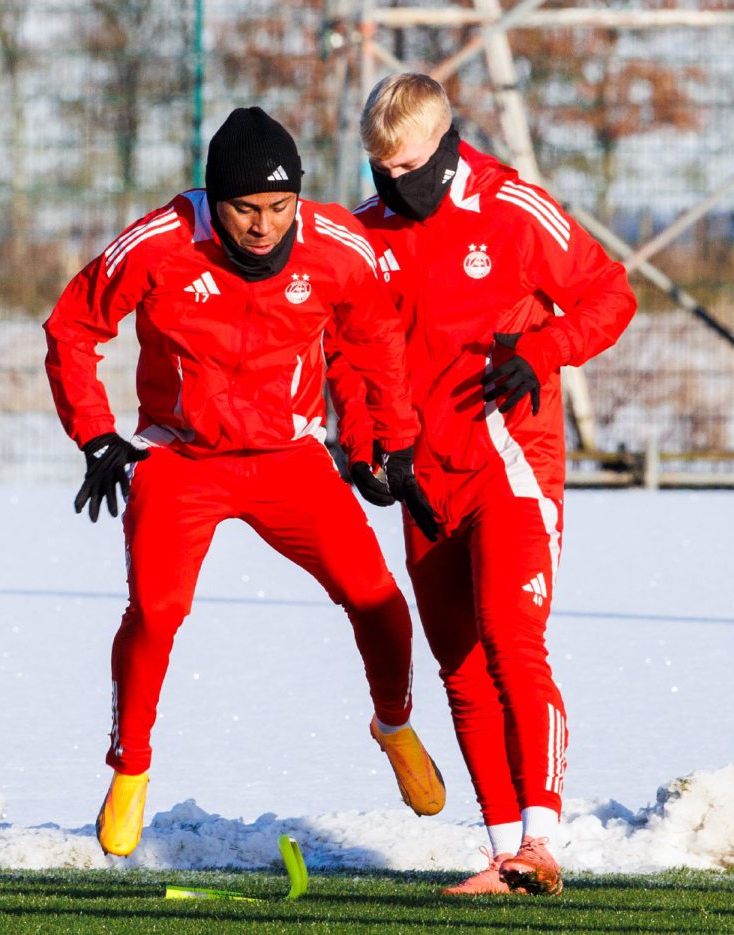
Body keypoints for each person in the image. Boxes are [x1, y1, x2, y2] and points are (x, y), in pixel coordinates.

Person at [43, 106, 446, 858]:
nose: (264, 227)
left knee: (381, 602)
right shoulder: (158, 243)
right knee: (157, 612)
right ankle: (130, 767)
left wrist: (393, 441)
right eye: (245, 209)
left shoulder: (335, 247)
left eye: (279, 207)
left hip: (290, 459)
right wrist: (96, 432)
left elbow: (375, 339)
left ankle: (393, 725)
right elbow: (72, 328)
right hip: (180, 459)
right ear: (212, 199)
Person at [334, 73, 637, 896]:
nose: (392, 183)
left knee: (511, 637)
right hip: (423, 479)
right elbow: (348, 357)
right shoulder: (363, 235)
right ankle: (504, 851)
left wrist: (541, 353)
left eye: (405, 166)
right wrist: (364, 447)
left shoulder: (511, 207)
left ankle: (542, 836)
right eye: (379, 169)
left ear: (445, 144)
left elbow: (613, 294)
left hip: (510, 466)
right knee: (459, 664)